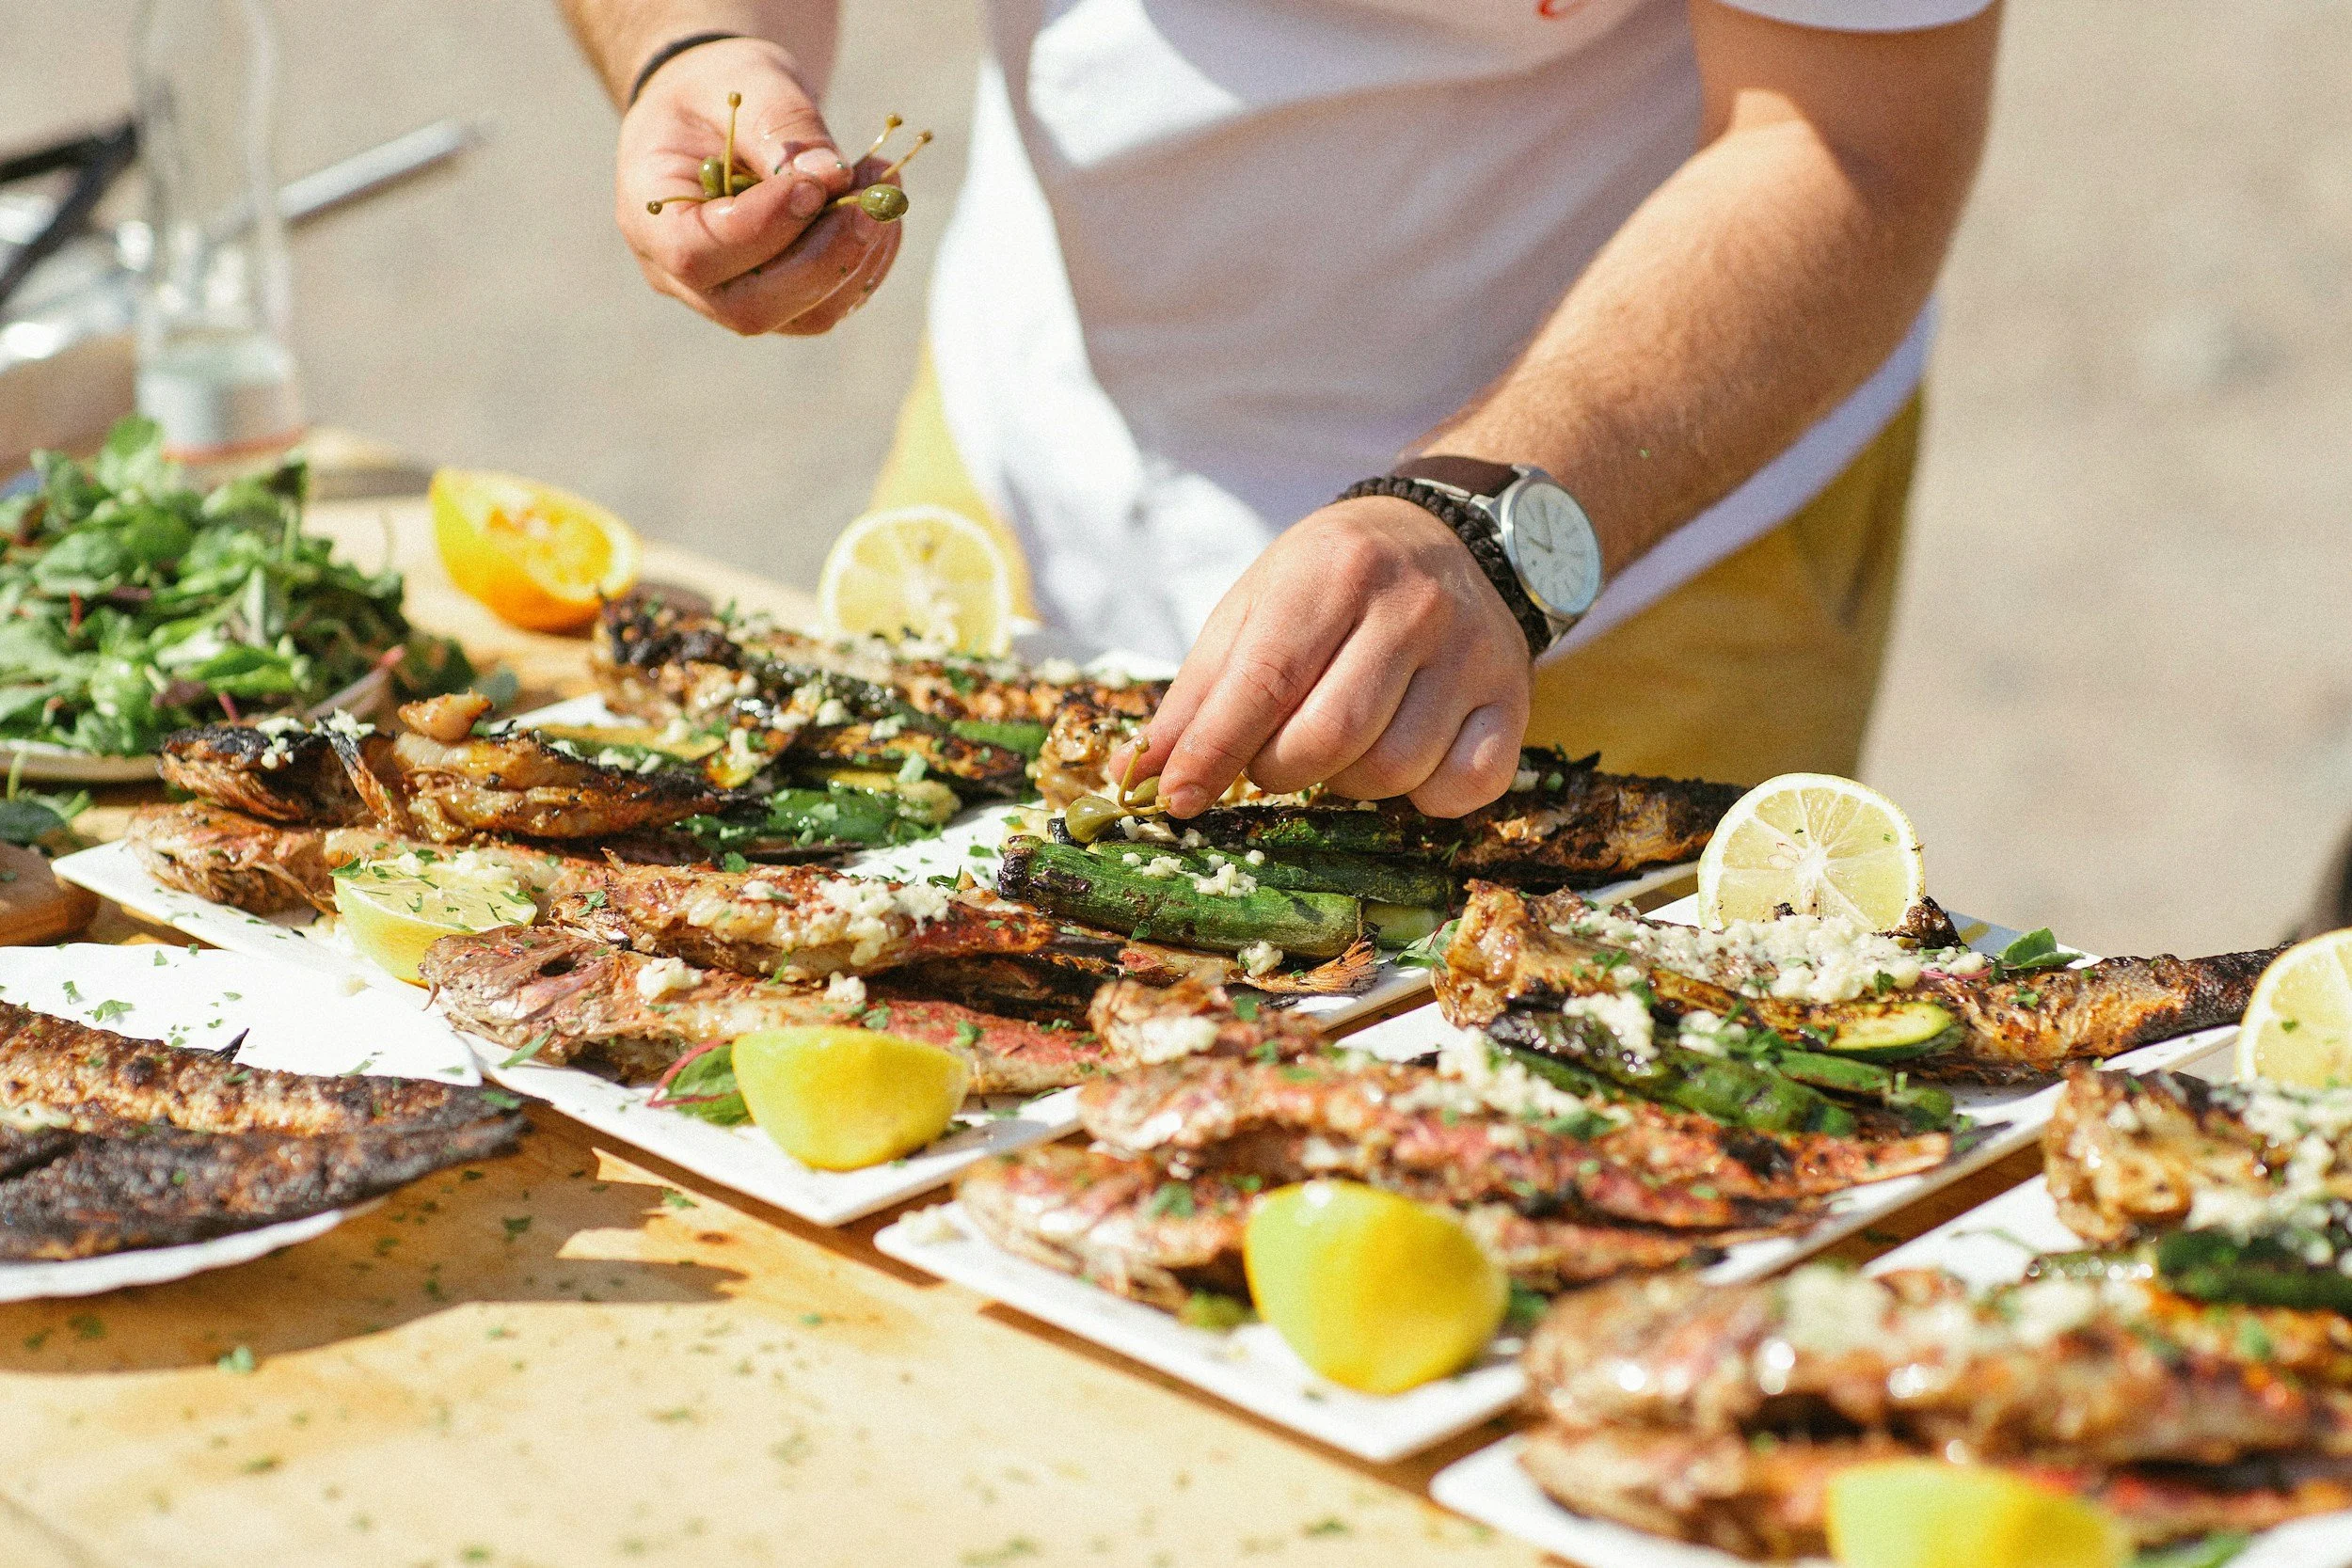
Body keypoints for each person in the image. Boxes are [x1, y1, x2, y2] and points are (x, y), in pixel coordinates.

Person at [559, 0, 1999, 819]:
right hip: (1032, 428)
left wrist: (1494, 525)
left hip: (1617, 525)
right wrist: (702, 47)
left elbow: (1850, 137)